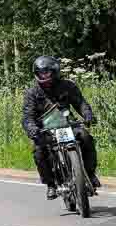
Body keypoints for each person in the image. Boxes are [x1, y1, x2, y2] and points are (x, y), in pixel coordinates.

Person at [21, 56, 101, 200]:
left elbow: (80, 103)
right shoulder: (32, 93)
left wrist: (88, 115)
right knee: (39, 151)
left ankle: (90, 174)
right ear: (36, 74)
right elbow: (27, 117)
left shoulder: (67, 86)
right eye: (41, 73)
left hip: (68, 124)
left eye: (47, 72)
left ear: (55, 71)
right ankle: (51, 184)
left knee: (86, 137)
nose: (44, 76)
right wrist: (33, 130)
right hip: (46, 130)